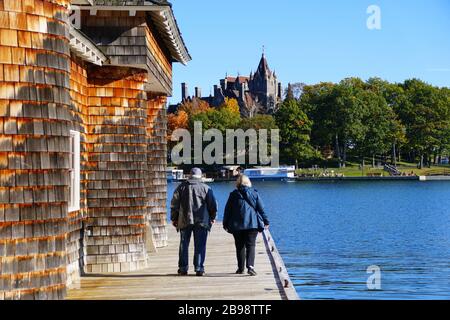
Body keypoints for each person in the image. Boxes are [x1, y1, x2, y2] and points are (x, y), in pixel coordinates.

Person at [170, 168, 218, 276]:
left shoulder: (181, 187)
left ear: (189, 175)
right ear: (200, 176)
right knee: (200, 245)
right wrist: (212, 217)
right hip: (201, 221)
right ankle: (199, 268)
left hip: (184, 220)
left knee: (184, 245)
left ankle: (183, 268)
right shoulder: (206, 188)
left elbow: (174, 205)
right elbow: (213, 205)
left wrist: (174, 218)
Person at [223, 175, 269, 276]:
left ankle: (240, 268)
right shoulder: (254, 193)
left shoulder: (233, 195)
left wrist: (225, 223)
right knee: (251, 245)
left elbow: (227, 210)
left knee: (239, 246)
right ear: (248, 182)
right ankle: (250, 267)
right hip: (252, 224)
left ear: (238, 183)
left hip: (237, 225)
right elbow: (261, 209)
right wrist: (266, 221)